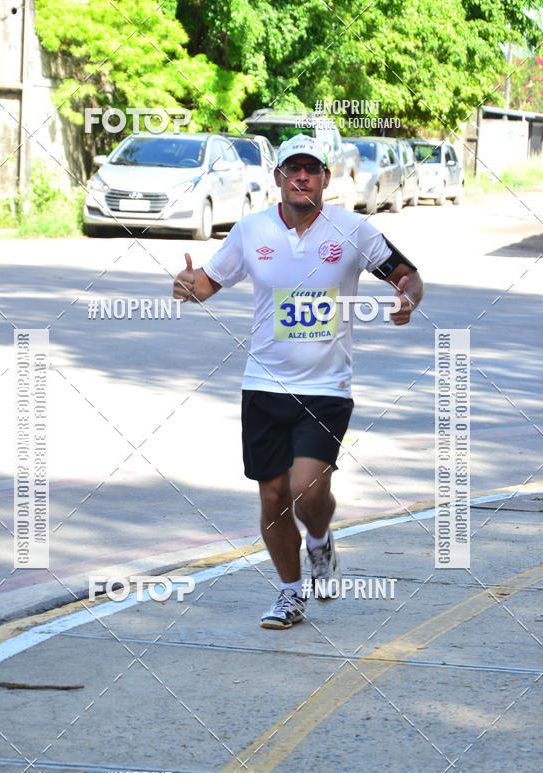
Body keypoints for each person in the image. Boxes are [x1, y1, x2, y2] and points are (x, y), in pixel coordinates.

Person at [173, 133, 424, 630]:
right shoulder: (251, 231)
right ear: (278, 179)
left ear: (327, 179)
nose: (302, 177)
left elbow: (406, 273)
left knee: (307, 490)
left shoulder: (352, 229)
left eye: (311, 169)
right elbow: (207, 282)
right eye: (293, 169)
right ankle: (290, 595)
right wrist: (186, 287)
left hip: (326, 387)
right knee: (271, 496)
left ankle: (320, 539)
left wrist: (408, 297)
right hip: (263, 385)